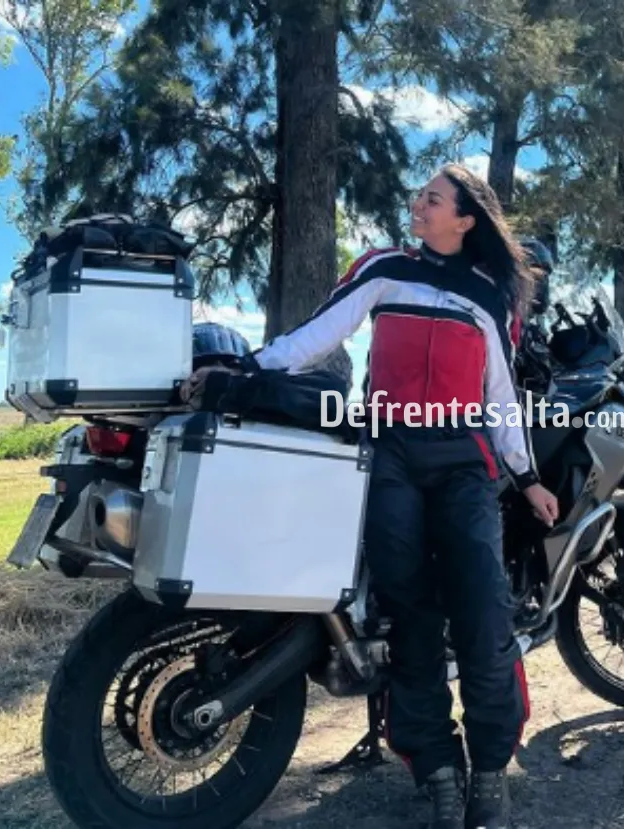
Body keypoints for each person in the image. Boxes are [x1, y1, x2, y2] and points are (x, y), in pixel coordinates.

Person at [181, 163, 558, 829]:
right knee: (409, 618)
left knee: (482, 615)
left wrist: (527, 477)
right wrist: (247, 368)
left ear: (465, 219)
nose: (418, 203)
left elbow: (499, 398)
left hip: (464, 464)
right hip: (389, 462)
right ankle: (439, 772)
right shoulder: (384, 267)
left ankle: (490, 771)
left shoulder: (489, 295)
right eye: (420, 194)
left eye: (433, 198)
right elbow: (316, 336)